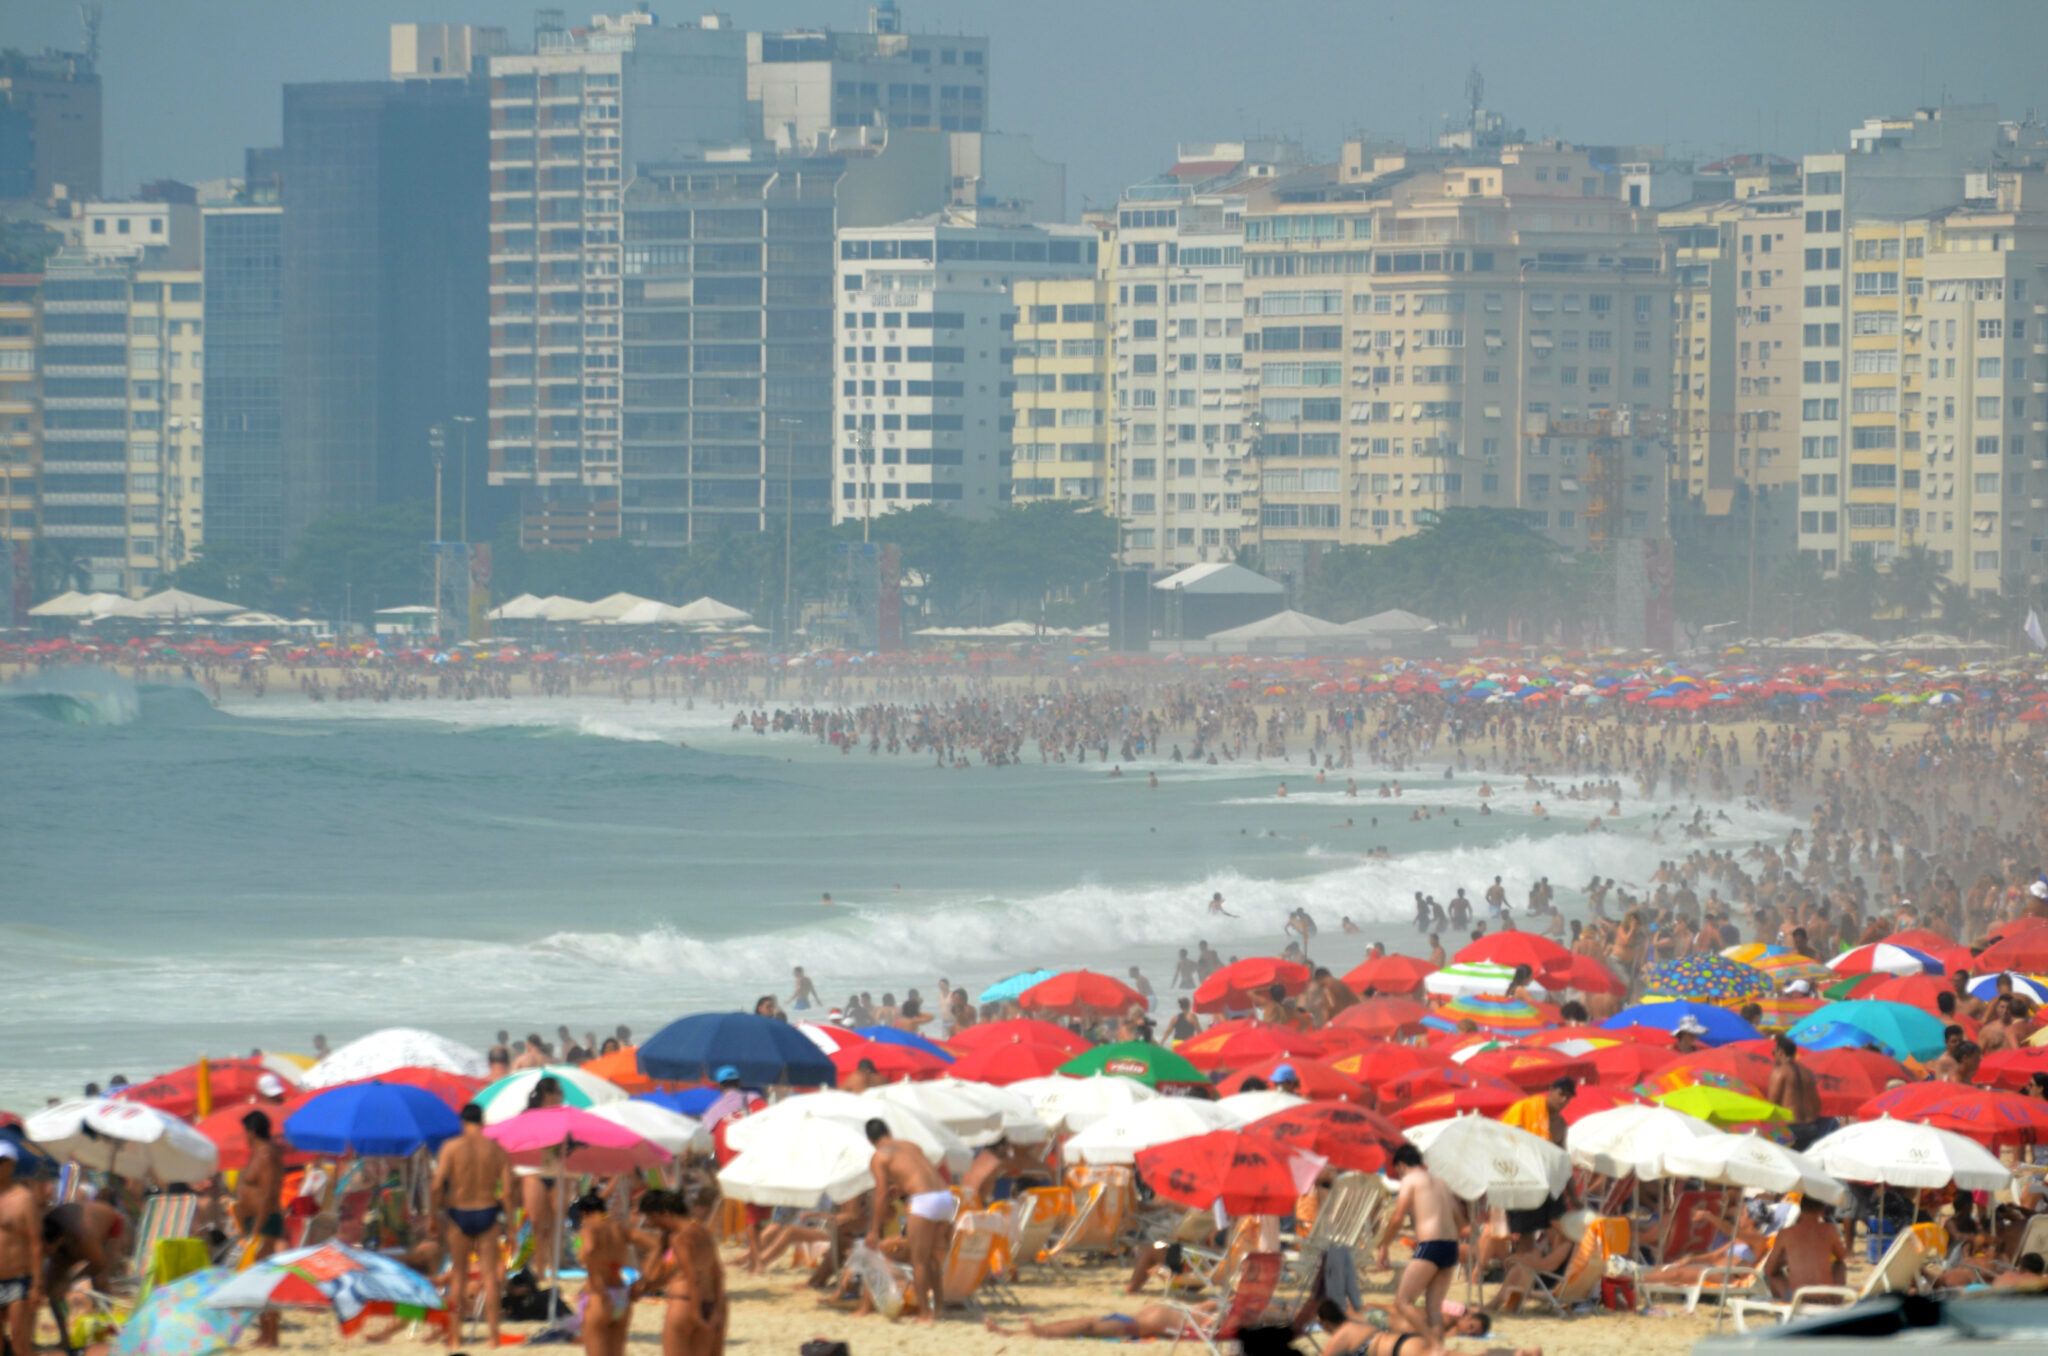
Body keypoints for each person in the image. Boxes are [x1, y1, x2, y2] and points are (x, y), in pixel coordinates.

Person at [433, 1102, 510, 1350]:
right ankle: (494, 1337)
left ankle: (455, 1337)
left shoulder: (451, 1147)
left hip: (459, 1213)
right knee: (489, 1277)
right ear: (483, 1122)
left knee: (459, 1275)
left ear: (462, 1122)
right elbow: (507, 1193)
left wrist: (433, 1216)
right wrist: (511, 1227)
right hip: (488, 1211)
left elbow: (436, 1186)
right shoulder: (497, 1150)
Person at [865, 1118, 953, 1323]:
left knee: (919, 1261)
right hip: (946, 1198)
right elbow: (923, 1174)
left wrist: (874, 1230)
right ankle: (939, 1308)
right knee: (931, 1259)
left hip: (924, 1201)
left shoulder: (879, 1157)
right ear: (888, 1131)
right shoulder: (911, 1145)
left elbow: (880, 1195)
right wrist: (902, 1188)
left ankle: (924, 1314)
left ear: (870, 1140)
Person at [1378, 1144, 1460, 1345]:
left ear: (1402, 1165)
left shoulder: (1410, 1180)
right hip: (1451, 1246)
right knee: (1434, 1308)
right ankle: (1438, 1347)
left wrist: (1384, 1245)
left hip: (1431, 1245)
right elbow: (1459, 1217)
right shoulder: (1441, 1182)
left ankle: (1433, 1344)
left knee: (1403, 1302)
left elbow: (1397, 1218)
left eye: (1398, 1171)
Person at [237, 1110, 286, 1347]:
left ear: (252, 1131)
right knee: (257, 1278)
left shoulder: (267, 1155)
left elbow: (268, 1194)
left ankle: (272, 1335)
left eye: (245, 1131)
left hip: (264, 1221)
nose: (244, 1136)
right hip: (255, 1222)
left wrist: (255, 1228)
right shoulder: (259, 1154)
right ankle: (265, 1332)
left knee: (265, 1279)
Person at [982, 1301, 1215, 1341]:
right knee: (1085, 1320)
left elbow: (1205, 1330)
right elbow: (1207, 1305)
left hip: (1138, 1326)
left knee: (1089, 1327)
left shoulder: (1212, 1321)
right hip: (1134, 1317)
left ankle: (1039, 1332)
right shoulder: (1212, 1308)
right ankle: (1017, 1332)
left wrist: (1213, 1319)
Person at [575, 1191, 632, 1356]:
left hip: (599, 1294)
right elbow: (654, 1244)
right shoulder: (619, 1228)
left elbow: (589, 1249)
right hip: (621, 1294)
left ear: (584, 1213)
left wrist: (584, 1257)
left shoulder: (588, 1228)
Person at [1758, 1203, 1849, 1300]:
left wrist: (1787, 1260)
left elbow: (1768, 1269)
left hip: (1797, 1298)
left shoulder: (1785, 1233)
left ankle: (1784, 1302)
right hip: (1825, 1296)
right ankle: (1835, 1300)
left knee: (1773, 1274)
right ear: (1822, 1212)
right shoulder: (1830, 1229)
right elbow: (1842, 1256)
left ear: (1801, 1211)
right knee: (1840, 1265)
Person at [0, 1144, 40, 1356]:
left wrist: (37, 1284)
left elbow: (35, 1243)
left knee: (20, 1343)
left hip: (17, 1278)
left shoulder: (23, 1198)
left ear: (11, 1164)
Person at [1764, 1036, 1832, 1151]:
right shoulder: (1807, 1073)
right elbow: (1817, 1105)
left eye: (1773, 1052)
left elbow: (1772, 1105)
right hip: (1811, 1127)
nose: (1773, 1056)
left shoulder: (1779, 1072)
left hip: (1790, 1128)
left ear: (1780, 1052)